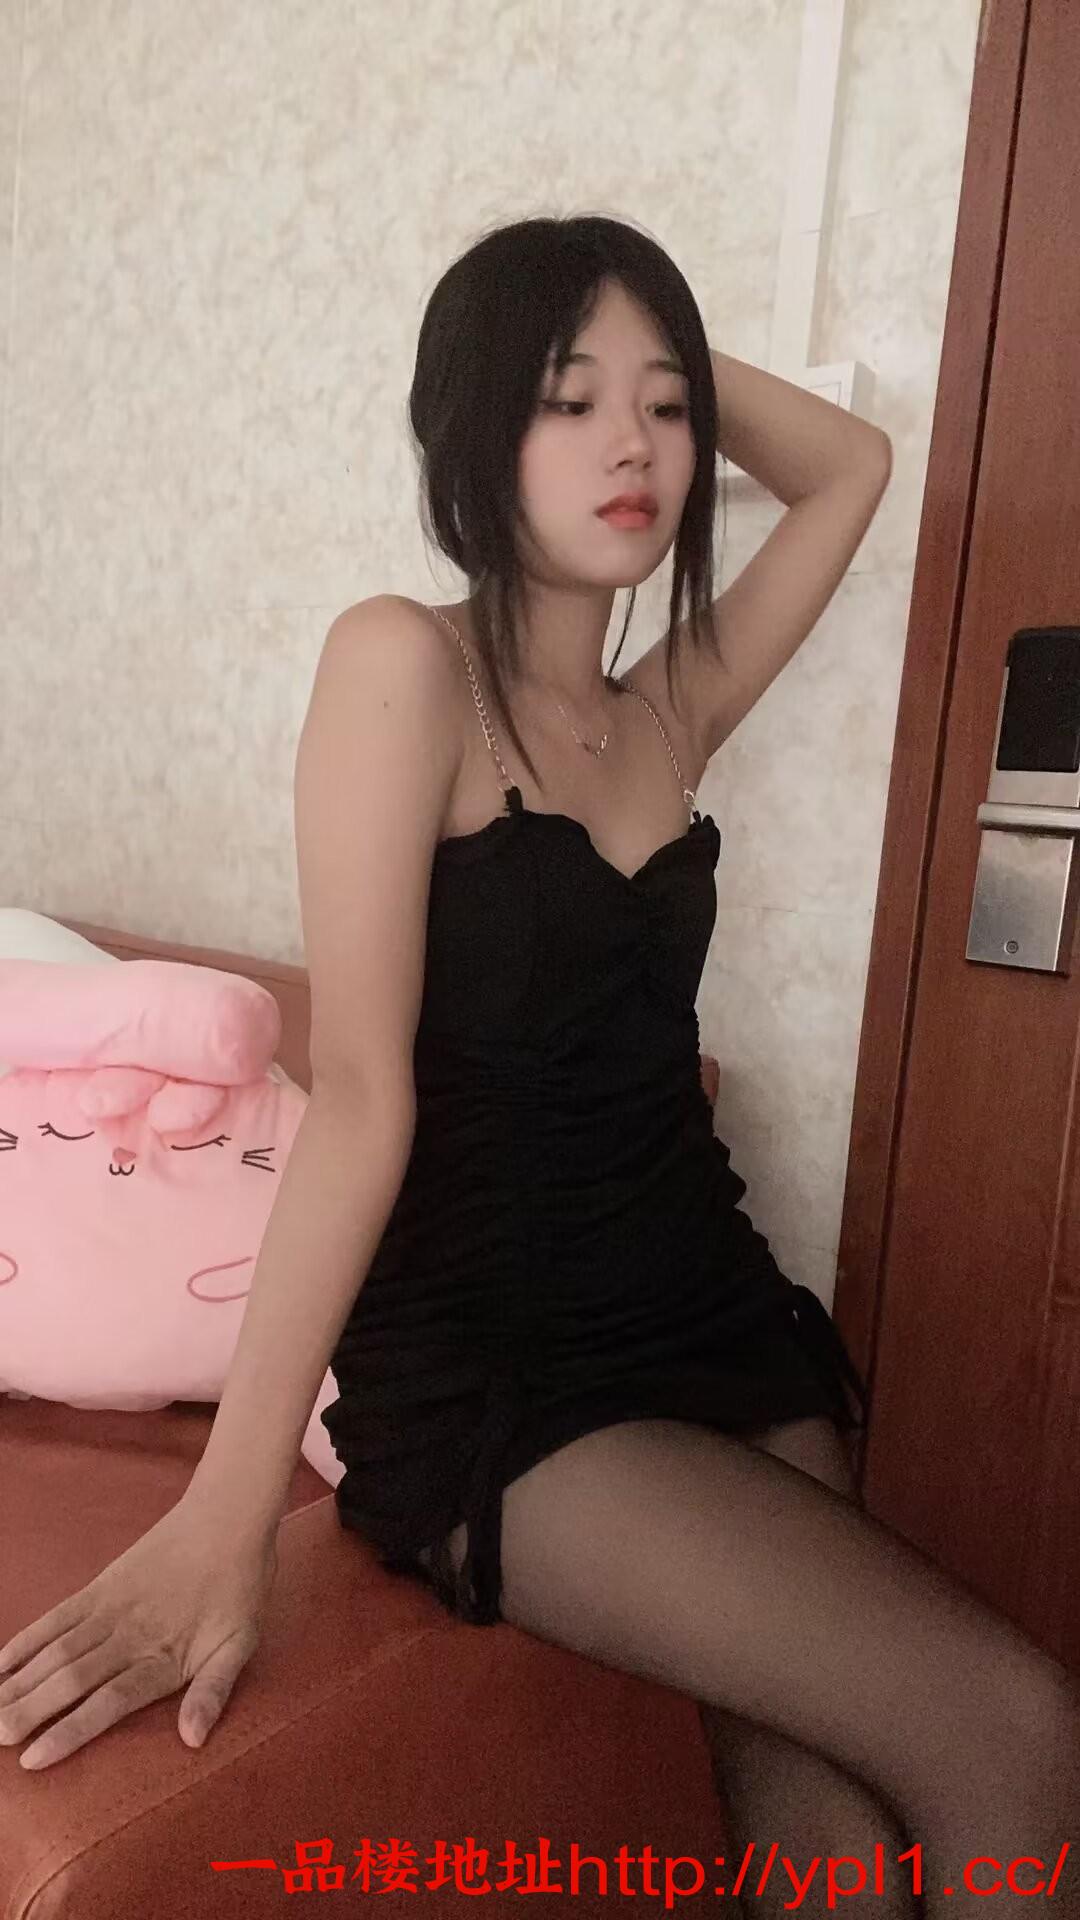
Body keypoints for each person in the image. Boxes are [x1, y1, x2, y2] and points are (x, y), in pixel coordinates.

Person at [1, 214, 1076, 1920]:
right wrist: (225, 1511)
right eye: (567, 402)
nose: (632, 445)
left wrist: (651, 357)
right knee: (1016, 1733)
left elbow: (853, 468)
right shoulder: (404, 664)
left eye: (665, 408)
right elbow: (363, 1096)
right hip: (497, 1360)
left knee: (839, 1860)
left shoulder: (667, 710)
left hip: (705, 1304)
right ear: (476, 432)